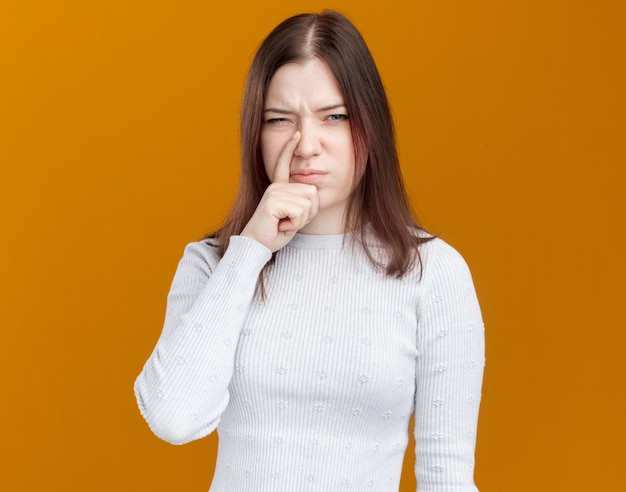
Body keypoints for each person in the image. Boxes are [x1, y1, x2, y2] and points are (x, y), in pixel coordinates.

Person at [134, 9, 485, 491]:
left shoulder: (432, 272)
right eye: (280, 120)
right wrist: (251, 248)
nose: (306, 145)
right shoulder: (213, 263)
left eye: (334, 117)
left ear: (371, 126)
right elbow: (173, 418)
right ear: (255, 135)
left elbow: (447, 475)